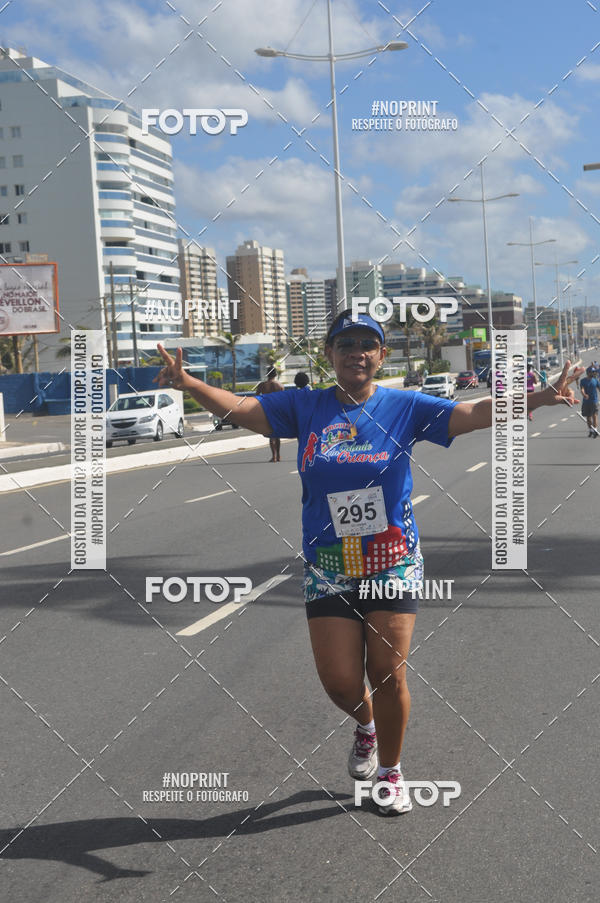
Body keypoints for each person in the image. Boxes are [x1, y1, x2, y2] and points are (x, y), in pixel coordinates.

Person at [155, 313, 582, 816]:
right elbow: (246, 409)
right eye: (345, 343)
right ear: (330, 354)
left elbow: (471, 412)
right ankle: (366, 726)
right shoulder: (305, 405)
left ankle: (390, 773)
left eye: (367, 344)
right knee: (339, 682)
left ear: (381, 356)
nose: (356, 351)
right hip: (329, 563)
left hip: (390, 559)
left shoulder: (403, 406)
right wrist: (186, 382)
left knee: (388, 673)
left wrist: (539, 397)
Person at [255, 367, 284, 461]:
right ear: (275, 375)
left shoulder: (262, 385)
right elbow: (283, 399)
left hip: (266, 410)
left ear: (267, 374)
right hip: (277, 410)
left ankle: (274, 456)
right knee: (277, 434)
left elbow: (256, 397)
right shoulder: (279, 385)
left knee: (271, 434)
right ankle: (279, 455)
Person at [580, 366, 599, 437]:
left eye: (594, 372)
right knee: (588, 417)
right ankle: (591, 430)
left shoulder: (596, 380)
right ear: (588, 373)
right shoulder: (583, 381)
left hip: (594, 401)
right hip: (586, 402)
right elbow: (582, 389)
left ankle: (595, 430)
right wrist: (584, 394)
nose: (594, 373)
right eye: (592, 372)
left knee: (594, 416)